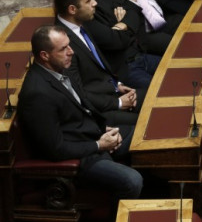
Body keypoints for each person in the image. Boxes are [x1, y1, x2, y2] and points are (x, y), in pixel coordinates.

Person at [18, 25, 143, 200]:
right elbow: (56, 149)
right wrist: (100, 145)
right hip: (80, 157)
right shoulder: (37, 94)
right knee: (132, 181)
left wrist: (104, 130)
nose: (71, 52)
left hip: (93, 135)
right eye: (63, 49)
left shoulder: (62, 68)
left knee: (146, 135)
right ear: (45, 56)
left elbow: (80, 110)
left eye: (70, 45)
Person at [55, 0, 161, 88]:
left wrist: (120, 24)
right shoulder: (80, 15)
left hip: (138, 55)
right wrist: (127, 13)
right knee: (161, 91)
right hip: (124, 68)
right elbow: (117, 40)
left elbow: (130, 22)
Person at [54, 0, 143, 126]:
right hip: (100, 112)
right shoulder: (62, 44)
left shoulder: (81, 24)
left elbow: (98, 64)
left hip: (112, 91)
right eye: (89, 1)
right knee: (149, 122)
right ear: (72, 9)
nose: (95, 3)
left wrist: (117, 85)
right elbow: (77, 92)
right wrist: (118, 103)